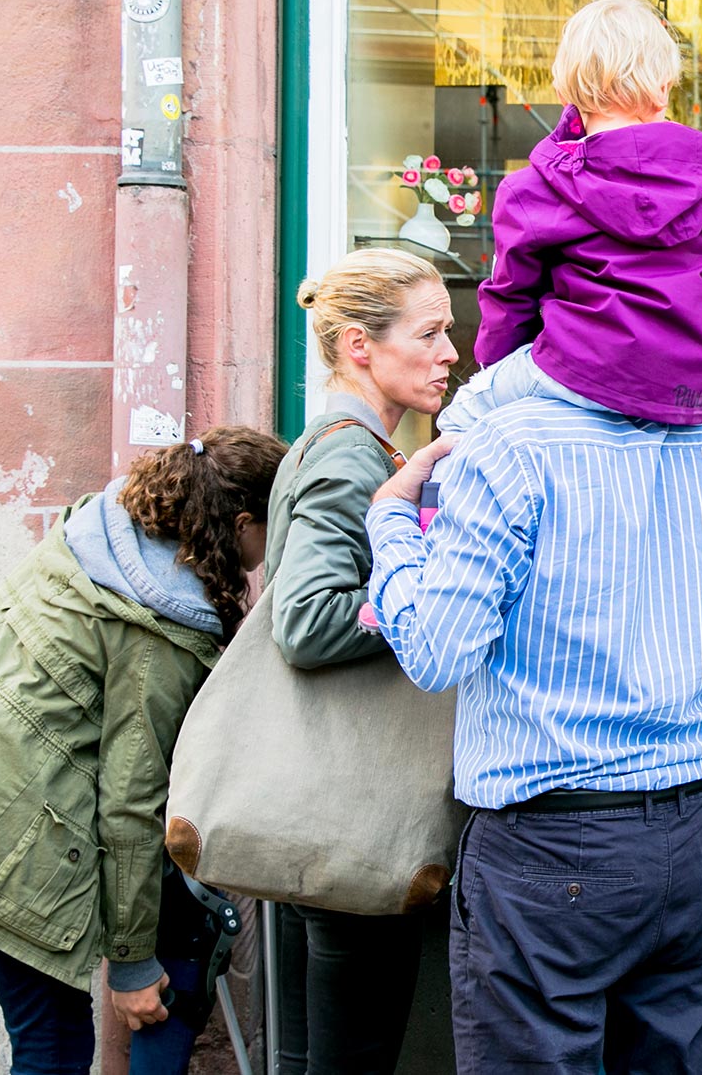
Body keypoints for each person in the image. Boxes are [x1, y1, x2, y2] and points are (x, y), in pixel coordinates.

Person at [362, 309, 702, 1075]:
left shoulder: (507, 448)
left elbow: (435, 653)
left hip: (548, 843)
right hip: (690, 837)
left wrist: (392, 524)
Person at [0, 428, 287, 1075]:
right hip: (13, 817)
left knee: (44, 1038)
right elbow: (132, 804)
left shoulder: (111, 535)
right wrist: (134, 964)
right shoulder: (160, 621)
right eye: (273, 529)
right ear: (242, 522)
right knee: (52, 1049)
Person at [268, 246, 460, 1074]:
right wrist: (424, 607)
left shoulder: (352, 446)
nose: (452, 352)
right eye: (432, 333)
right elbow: (307, 622)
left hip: (335, 804)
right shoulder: (352, 453)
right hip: (354, 809)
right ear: (358, 345)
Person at [447, 0, 702, 432]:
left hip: (583, 368)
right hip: (694, 384)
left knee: (464, 415)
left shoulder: (533, 188)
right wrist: (692, 334)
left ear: (565, 85)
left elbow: (510, 299)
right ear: (663, 88)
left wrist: (500, 368)